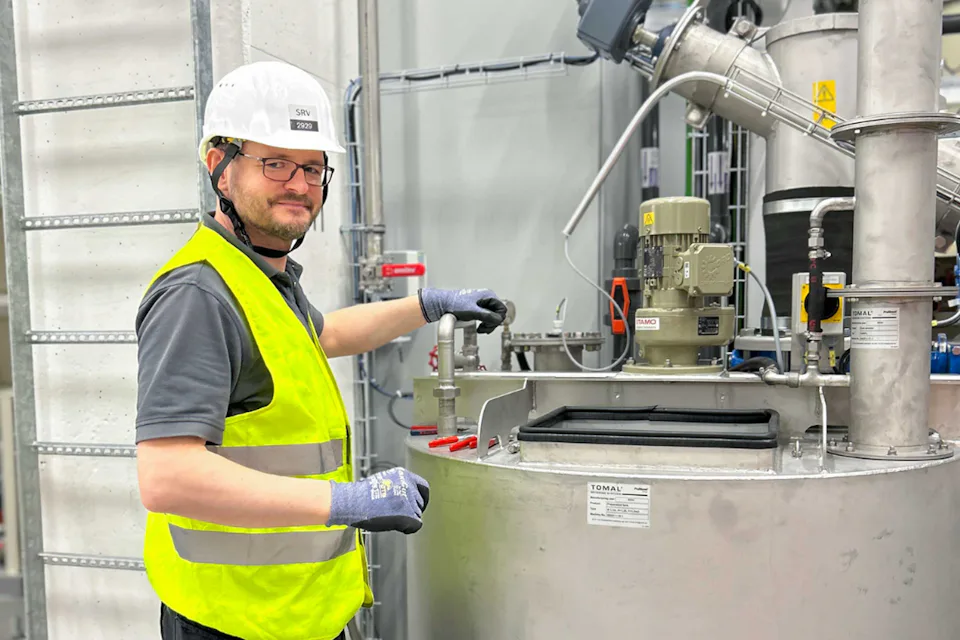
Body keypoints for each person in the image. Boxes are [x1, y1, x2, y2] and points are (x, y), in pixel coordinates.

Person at [134, 60, 508, 640]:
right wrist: (348, 500)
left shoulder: (258, 277)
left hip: (293, 610)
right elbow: (168, 476)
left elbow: (325, 334)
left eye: (313, 168)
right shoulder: (197, 295)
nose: (299, 185)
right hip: (236, 620)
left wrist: (429, 305)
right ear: (219, 166)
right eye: (275, 163)